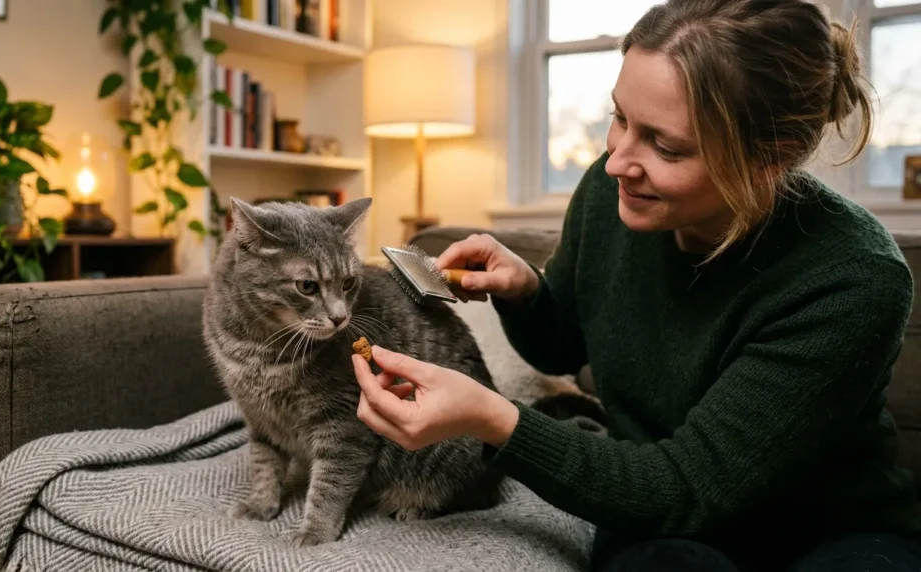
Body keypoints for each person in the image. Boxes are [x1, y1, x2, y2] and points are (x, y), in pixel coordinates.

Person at [350, 1, 921, 570]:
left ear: (766, 160)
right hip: (661, 527)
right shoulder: (609, 194)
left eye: (665, 146)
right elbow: (564, 347)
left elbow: (683, 489)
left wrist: (491, 418)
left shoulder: (854, 277)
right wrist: (525, 292)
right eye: (620, 117)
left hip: (826, 530)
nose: (617, 159)